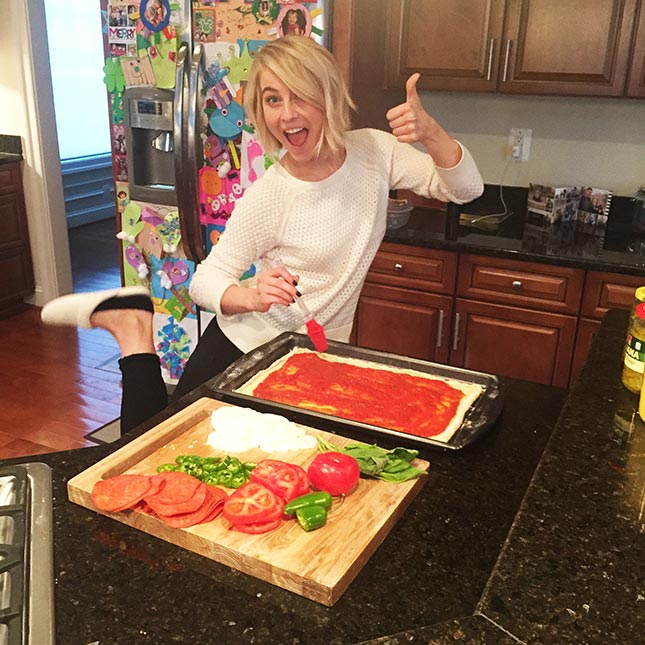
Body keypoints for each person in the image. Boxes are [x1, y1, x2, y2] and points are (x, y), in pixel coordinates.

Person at [41, 35, 483, 433]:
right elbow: (204, 282)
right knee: (154, 444)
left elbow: (465, 189)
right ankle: (135, 330)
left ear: (328, 96)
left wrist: (430, 133)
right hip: (245, 347)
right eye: (272, 100)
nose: (287, 115)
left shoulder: (375, 151)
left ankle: (134, 323)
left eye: (300, 96)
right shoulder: (271, 195)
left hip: (315, 353)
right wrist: (250, 295)